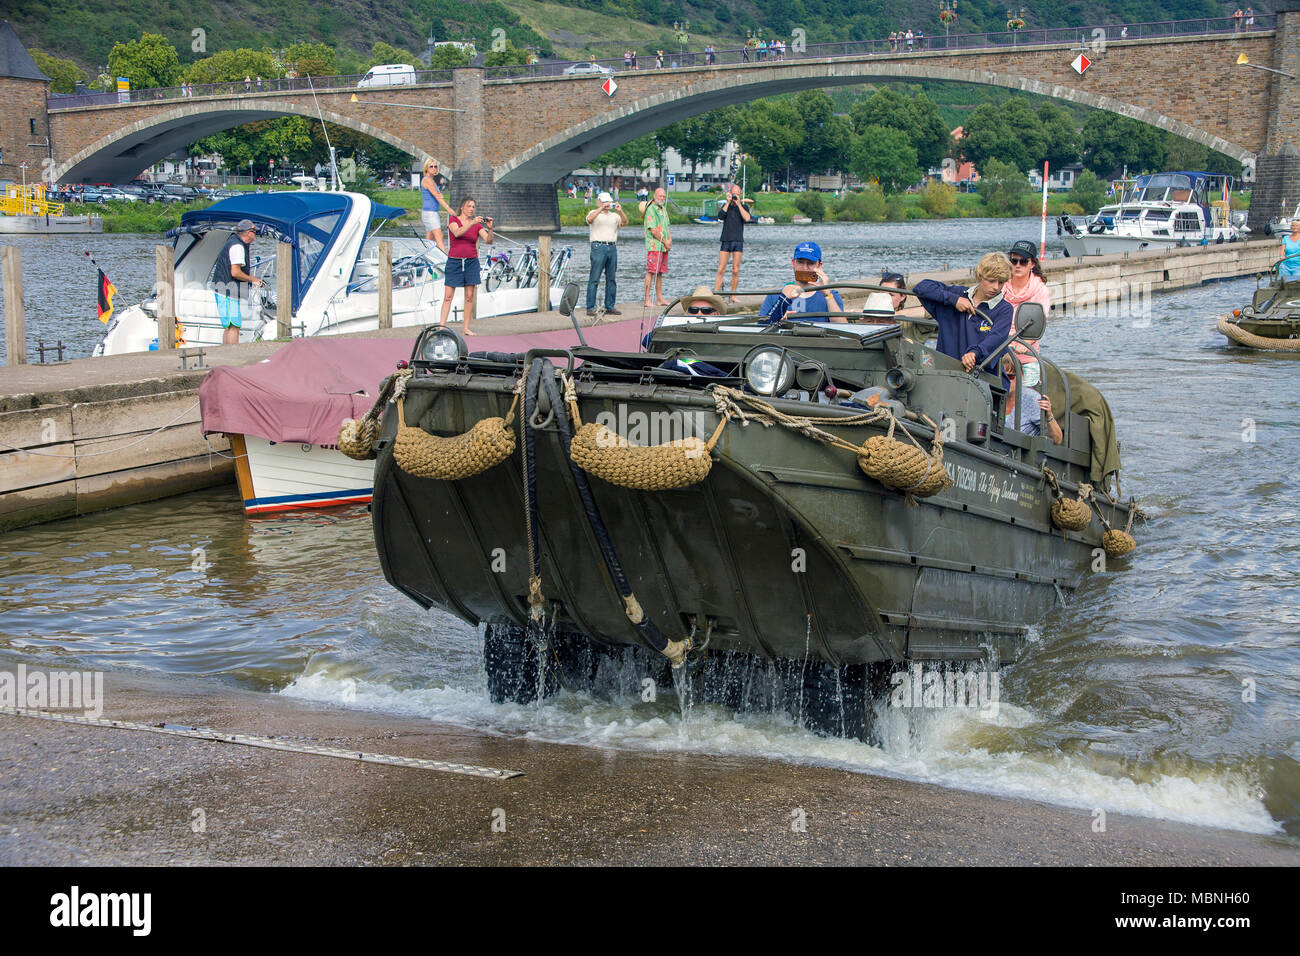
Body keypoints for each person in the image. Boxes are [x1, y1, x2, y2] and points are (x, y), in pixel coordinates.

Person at [912, 252, 1014, 376]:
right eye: (991, 281)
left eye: (1001, 282)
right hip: (945, 373)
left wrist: (975, 353)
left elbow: (997, 338)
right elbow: (922, 287)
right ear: (978, 276)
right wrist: (954, 300)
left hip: (983, 378)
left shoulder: (1004, 309)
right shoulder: (957, 294)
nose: (996, 287)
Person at [441, 197, 493, 335]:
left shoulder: (476, 225)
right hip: (455, 261)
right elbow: (457, 233)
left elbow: (488, 240)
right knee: (448, 296)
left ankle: (466, 328)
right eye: (469, 206)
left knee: (469, 296)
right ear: (462, 207)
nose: (471, 209)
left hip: (471, 261)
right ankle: (441, 326)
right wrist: (472, 223)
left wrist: (490, 229)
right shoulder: (453, 220)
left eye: (473, 207)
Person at [759, 241, 846, 323]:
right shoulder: (775, 296)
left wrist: (828, 294)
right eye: (800, 262)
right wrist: (778, 315)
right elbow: (760, 327)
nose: (805, 268)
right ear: (793, 263)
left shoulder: (832, 295)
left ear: (819, 266)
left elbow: (843, 327)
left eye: (810, 263)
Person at [212, 219, 263, 346]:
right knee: (234, 326)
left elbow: (238, 270)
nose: (255, 235)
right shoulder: (238, 246)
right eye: (254, 232)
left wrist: (252, 278)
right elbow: (235, 272)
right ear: (248, 233)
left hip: (224, 289)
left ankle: (225, 354)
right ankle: (233, 355)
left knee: (229, 326)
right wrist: (253, 279)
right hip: (227, 290)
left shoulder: (234, 242)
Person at [1002, 347, 1062, 444]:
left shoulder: (1032, 399)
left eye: (1011, 376)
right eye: (1003, 376)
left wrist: (1049, 416)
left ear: (1021, 376)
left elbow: (1057, 440)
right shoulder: (990, 395)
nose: (1007, 381)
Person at [585, 191, 628, 316]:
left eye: (608, 202)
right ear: (599, 202)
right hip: (598, 246)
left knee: (611, 278)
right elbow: (589, 219)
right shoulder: (594, 213)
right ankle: (590, 306)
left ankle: (610, 306)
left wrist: (620, 211)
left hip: (612, 247)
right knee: (594, 278)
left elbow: (624, 222)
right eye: (604, 202)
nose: (607, 204)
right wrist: (600, 209)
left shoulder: (614, 216)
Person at [1001, 240, 1051, 341]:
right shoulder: (1001, 285)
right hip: (999, 341)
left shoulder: (1040, 290)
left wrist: (1026, 343)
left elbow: (1040, 322)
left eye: (1023, 262)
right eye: (1014, 261)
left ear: (1032, 264)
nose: (1018, 265)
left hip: (1024, 344)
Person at [714, 183, 752, 298]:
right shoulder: (727, 206)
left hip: (738, 241)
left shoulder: (744, 207)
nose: (735, 196)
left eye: (737, 194)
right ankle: (716, 294)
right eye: (733, 193)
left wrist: (739, 204)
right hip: (726, 239)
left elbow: (747, 218)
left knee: (735, 269)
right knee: (721, 269)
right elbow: (720, 216)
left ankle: (733, 295)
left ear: (740, 194)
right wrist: (728, 201)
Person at [643, 187, 672, 306]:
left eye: (664, 196)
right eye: (660, 196)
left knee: (660, 272)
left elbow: (667, 227)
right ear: (655, 196)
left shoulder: (663, 209)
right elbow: (653, 230)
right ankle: (647, 299)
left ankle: (659, 298)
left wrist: (669, 240)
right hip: (654, 245)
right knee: (651, 271)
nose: (662, 198)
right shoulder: (651, 209)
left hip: (663, 246)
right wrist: (665, 241)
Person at [420, 158, 452, 255]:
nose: (433, 168)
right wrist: (448, 209)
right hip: (430, 213)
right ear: (426, 168)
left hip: (431, 212)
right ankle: (446, 261)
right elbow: (437, 196)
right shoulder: (427, 180)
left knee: (429, 238)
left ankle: (426, 258)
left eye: (435, 166)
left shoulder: (431, 180)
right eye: (431, 166)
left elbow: (438, 195)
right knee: (439, 236)